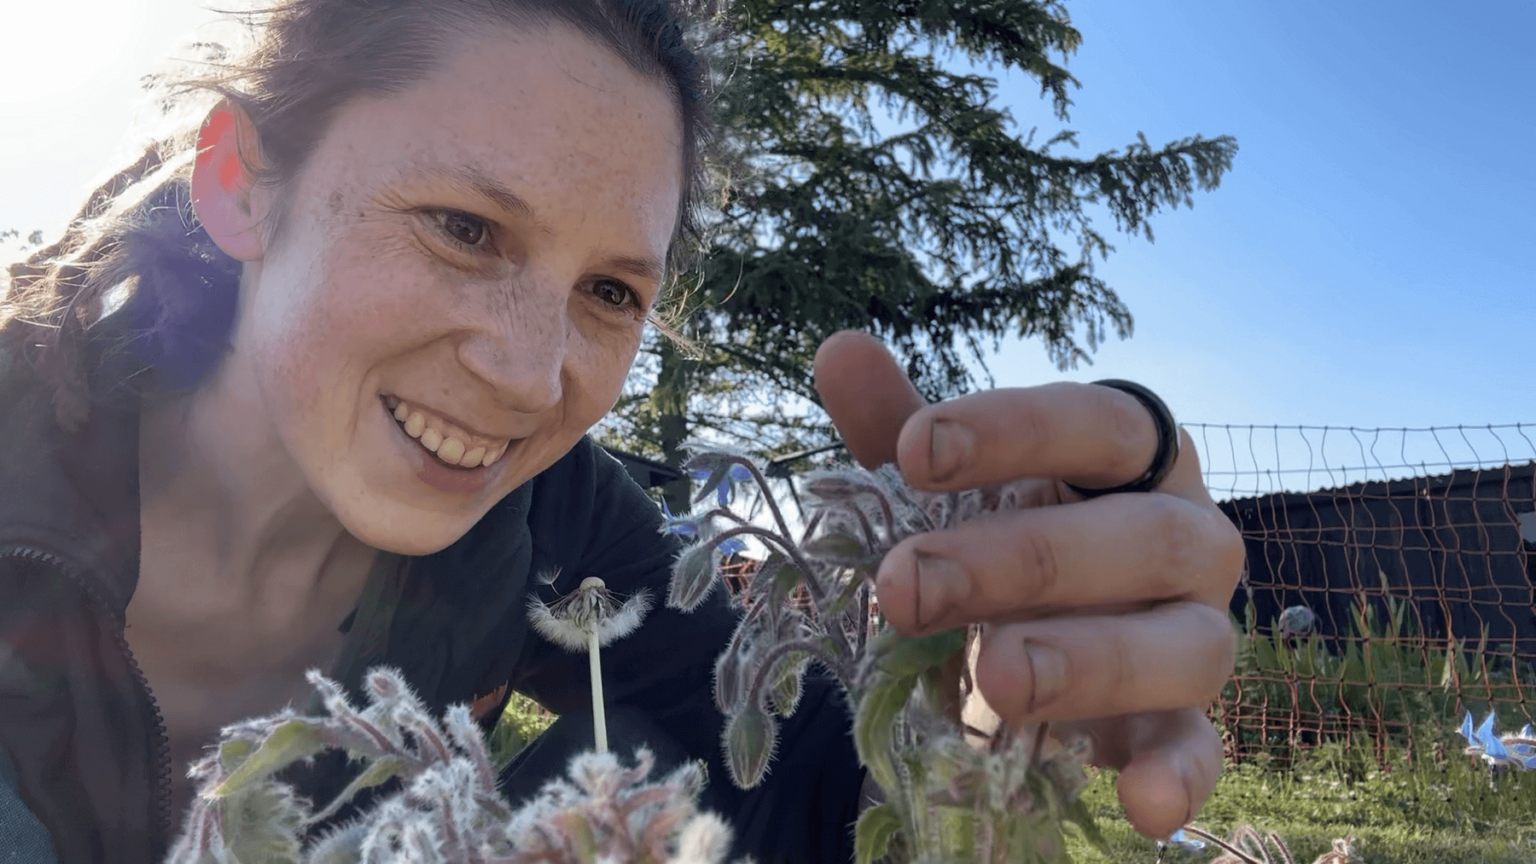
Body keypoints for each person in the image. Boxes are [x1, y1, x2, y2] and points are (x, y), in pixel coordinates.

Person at [0, 1, 1245, 861]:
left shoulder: (549, 514)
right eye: (464, 229)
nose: (532, 377)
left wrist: (993, 702)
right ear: (237, 184)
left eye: (609, 293)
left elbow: (795, 792)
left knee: (641, 769)